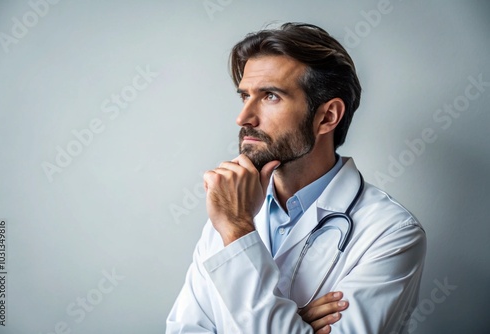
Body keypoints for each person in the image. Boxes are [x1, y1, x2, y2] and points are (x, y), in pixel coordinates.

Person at [166, 22, 426, 334]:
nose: (243, 117)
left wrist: (238, 233)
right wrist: (294, 324)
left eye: (270, 96)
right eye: (245, 96)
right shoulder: (230, 209)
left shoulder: (391, 233)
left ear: (327, 116)